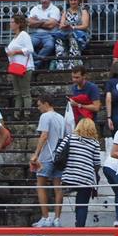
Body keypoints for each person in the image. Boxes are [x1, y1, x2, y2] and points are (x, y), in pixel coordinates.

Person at [30, 94, 67, 227]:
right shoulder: (61, 118)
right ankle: (57, 218)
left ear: (46, 103)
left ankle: (45, 217)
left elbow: (44, 135)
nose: (38, 108)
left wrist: (36, 154)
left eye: (39, 105)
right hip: (59, 156)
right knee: (58, 188)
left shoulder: (45, 116)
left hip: (47, 156)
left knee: (40, 185)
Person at [60, 118, 103, 228]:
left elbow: (59, 152)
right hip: (86, 178)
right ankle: (80, 227)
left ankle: (56, 217)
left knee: (60, 192)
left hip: (69, 177)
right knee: (82, 205)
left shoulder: (69, 138)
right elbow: (97, 163)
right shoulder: (95, 143)